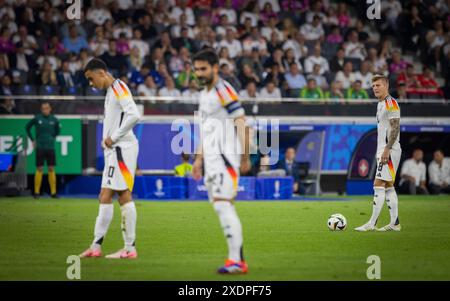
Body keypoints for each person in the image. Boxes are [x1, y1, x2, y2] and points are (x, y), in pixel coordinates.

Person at [192, 49, 251, 274]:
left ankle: (236, 261)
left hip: (226, 159)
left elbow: (241, 123)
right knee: (223, 206)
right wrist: (198, 160)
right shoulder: (204, 94)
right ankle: (238, 259)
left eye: (203, 68)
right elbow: (205, 131)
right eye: (196, 69)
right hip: (212, 161)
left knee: (222, 204)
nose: (199, 73)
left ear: (215, 67)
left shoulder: (224, 90)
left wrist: (245, 156)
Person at [80, 58, 141, 259]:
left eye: (91, 78)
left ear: (101, 73)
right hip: (115, 150)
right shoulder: (112, 91)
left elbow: (134, 115)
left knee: (121, 195)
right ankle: (97, 247)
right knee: (106, 196)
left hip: (121, 149)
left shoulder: (119, 88)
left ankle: (128, 248)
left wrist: (113, 138)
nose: (91, 83)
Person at [355, 74, 402, 232]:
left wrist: (387, 149)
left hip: (389, 150)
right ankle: (395, 223)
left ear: (386, 86)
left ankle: (372, 223)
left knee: (378, 184)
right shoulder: (380, 104)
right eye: (373, 86)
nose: (375, 88)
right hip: (383, 149)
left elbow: (395, 128)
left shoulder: (391, 104)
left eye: (378, 85)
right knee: (388, 185)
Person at [25, 101, 60, 199]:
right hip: (40, 147)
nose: (45, 110)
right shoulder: (37, 118)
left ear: (50, 109)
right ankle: (36, 192)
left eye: (47, 108)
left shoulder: (54, 120)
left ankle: (53, 193)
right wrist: (32, 140)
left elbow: (57, 131)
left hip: (50, 147)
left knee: (51, 168)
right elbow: (27, 127)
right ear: (41, 109)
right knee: (39, 168)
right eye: (43, 108)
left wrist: (52, 138)